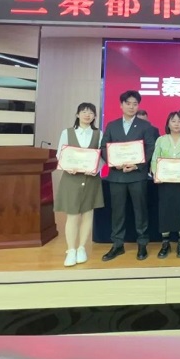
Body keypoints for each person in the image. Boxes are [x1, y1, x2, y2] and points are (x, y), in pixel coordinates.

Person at [101, 88, 156, 262]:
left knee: (140, 210)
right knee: (117, 212)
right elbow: (103, 147)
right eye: (128, 103)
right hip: (116, 176)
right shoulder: (112, 125)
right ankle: (117, 244)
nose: (132, 107)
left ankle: (142, 244)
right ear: (121, 105)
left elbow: (150, 147)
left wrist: (137, 165)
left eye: (135, 104)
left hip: (137, 175)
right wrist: (114, 163)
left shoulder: (145, 126)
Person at [55, 101, 103, 267]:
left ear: (95, 116)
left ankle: (82, 247)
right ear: (77, 114)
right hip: (71, 178)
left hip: (91, 178)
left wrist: (95, 169)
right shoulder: (67, 132)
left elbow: (102, 156)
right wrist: (69, 166)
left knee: (88, 214)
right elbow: (60, 154)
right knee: (73, 215)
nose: (87, 115)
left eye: (91, 112)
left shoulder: (98, 133)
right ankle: (71, 250)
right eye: (84, 112)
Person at [150, 110, 180, 259]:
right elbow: (155, 159)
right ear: (168, 124)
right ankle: (165, 243)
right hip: (165, 183)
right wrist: (157, 174)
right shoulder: (161, 140)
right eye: (173, 121)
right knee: (165, 211)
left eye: (179, 121)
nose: (176, 124)